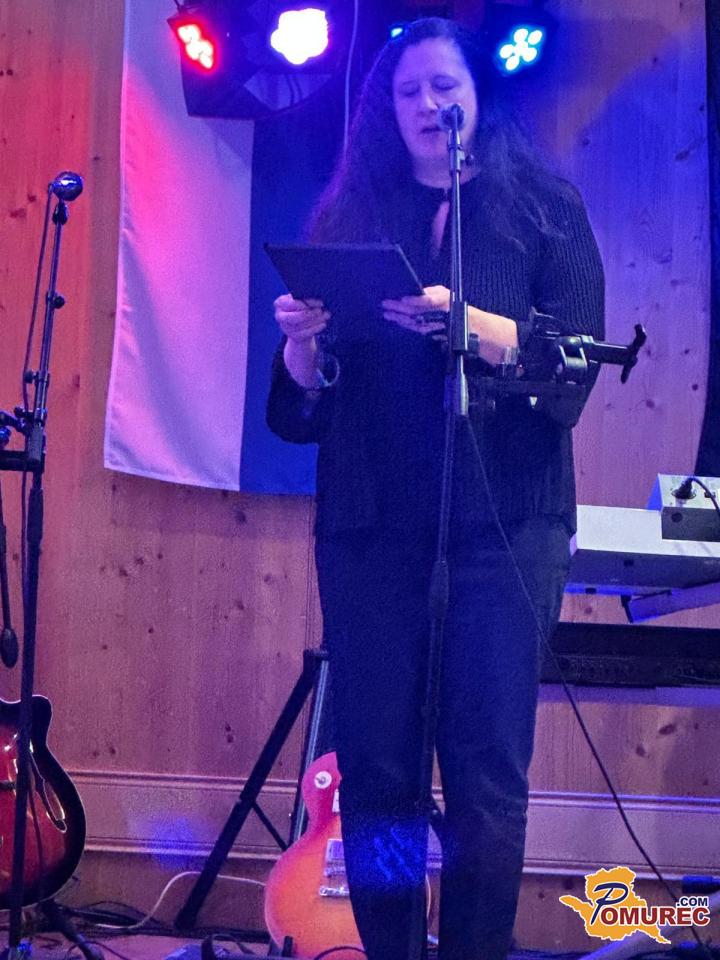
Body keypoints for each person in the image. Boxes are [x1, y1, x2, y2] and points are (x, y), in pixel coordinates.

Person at [267, 16, 604, 960]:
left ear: (478, 97)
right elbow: (296, 412)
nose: (428, 105)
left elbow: (575, 374)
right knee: (380, 777)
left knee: (486, 778)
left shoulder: (544, 209)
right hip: (374, 530)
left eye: (444, 87)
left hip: (506, 530)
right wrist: (300, 347)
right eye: (408, 90)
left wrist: (471, 325)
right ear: (386, 107)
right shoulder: (352, 215)